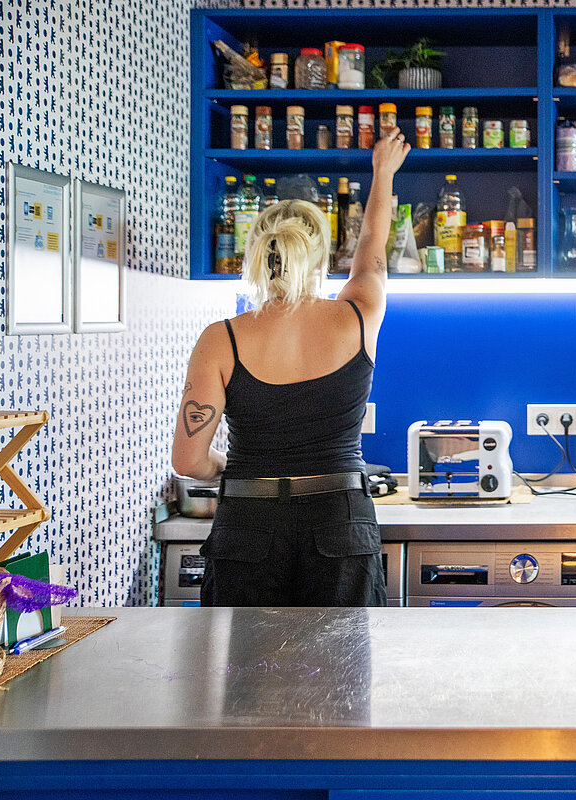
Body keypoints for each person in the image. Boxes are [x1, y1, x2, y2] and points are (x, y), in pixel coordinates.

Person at [171, 131, 410, 606]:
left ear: (256, 254)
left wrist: (231, 468)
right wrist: (382, 173)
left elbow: (188, 461)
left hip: (248, 528)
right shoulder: (357, 315)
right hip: (341, 524)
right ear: (321, 257)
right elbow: (372, 248)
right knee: (342, 679)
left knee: (247, 678)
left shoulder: (221, 338)